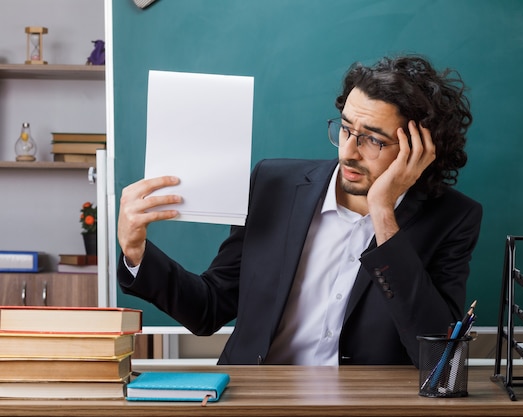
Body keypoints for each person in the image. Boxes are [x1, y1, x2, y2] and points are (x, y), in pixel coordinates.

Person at [117, 54, 482, 366]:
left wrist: (384, 216)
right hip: (258, 397)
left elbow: (438, 358)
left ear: (418, 149)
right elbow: (209, 308)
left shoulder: (452, 219)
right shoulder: (273, 184)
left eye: (373, 139)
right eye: (345, 129)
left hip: (365, 405)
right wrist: (136, 252)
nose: (349, 152)